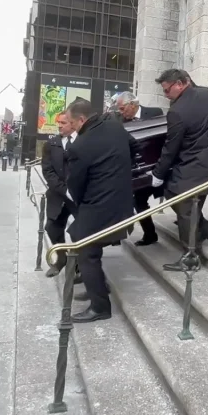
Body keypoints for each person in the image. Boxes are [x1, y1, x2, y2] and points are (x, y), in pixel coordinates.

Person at [150, 69, 208, 270]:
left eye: (167, 90)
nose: (166, 95)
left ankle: (191, 257)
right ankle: (203, 228)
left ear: (179, 84)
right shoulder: (207, 93)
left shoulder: (176, 111)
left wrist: (158, 173)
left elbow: (171, 147)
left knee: (185, 209)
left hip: (192, 167)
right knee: (173, 195)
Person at [64, 99, 135, 322]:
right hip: (121, 199)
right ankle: (98, 285)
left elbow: (75, 185)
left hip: (97, 203)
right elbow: (134, 146)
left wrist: (84, 202)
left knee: (85, 250)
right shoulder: (115, 126)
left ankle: (100, 307)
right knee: (80, 238)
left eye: (71, 122)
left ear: (81, 119)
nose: (71, 127)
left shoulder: (79, 146)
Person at [115, 91, 165, 246]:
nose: (120, 112)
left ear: (132, 104)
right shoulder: (120, 122)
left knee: (177, 198)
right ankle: (150, 234)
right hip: (137, 170)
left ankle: (201, 227)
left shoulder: (155, 113)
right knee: (139, 201)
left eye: (122, 108)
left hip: (158, 167)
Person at [41, 113, 75, 278]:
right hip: (58, 194)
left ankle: (80, 265)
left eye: (63, 122)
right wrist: (63, 190)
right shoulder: (51, 144)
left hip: (78, 195)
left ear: (73, 123)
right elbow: (48, 171)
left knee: (81, 230)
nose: (59, 125)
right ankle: (61, 259)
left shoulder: (82, 142)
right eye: (58, 122)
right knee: (51, 227)